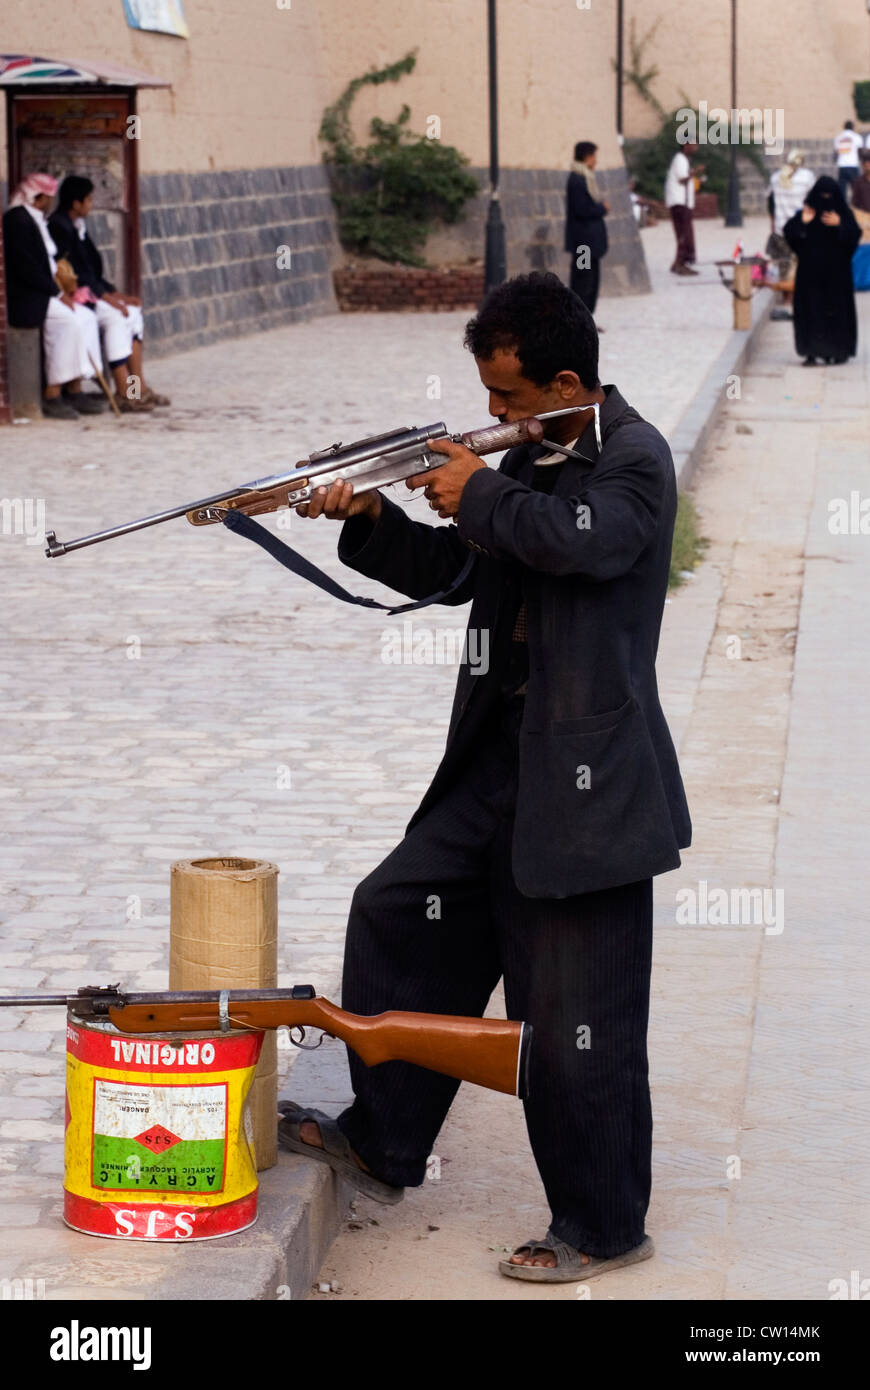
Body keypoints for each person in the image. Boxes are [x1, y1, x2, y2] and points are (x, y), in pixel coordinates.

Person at [276, 271, 691, 1283]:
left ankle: (600, 1225)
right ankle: (386, 1140)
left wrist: (483, 489)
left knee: (575, 1023)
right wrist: (367, 518)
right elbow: (459, 569)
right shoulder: (535, 460)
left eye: (508, 399)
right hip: (495, 773)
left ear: (563, 379)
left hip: (588, 789)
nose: (494, 418)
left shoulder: (632, 458)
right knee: (395, 908)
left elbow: (585, 545)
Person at [48, 175, 168, 411]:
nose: (92, 204)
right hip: (78, 297)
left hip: (94, 292)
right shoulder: (59, 227)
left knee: (132, 314)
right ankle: (125, 393)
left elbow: (92, 271)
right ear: (76, 203)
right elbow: (74, 274)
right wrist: (108, 299)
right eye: (89, 199)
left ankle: (138, 388)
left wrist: (117, 295)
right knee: (116, 318)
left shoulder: (78, 227)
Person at [2, 172, 104, 420]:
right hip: (30, 296)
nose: (51, 201)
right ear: (39, 197)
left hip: (47, 291)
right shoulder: (18, 220)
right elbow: (27, 267)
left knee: (85, 317)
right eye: (48, 197)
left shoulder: (36, 219)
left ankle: (75, 387)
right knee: (68, 321)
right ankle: (52, 392)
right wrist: (57, 293)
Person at [783, 176, 860, 365]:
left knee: (837, 312)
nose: (826, 199)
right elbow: (790, 234)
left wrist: (840, 224)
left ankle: (838, 352)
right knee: (811, 312)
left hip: (837, 275)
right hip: (810, 275)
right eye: (822, 195)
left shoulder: (843, 214)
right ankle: (811, 352)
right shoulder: (807, 212)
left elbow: (855, 235)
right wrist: (803, 222)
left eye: (830, 195)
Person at [766, 150, 815, 317]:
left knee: (784, 265)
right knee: (797, 265)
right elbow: (813, 201)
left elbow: (770, 203)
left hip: (781, 228)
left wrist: (772, 224)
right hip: (800, 229)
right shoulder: (807, 177)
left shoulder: (775, 178)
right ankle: (794, 300)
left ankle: (787, 298)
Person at [564, 141, 608, 320]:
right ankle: (579, 320)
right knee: (583, 281)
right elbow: (581, 210)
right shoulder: (577, 180)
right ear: (588, 157)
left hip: (591, 243)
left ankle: (587, 319)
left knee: (592, 281)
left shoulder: (585, 178)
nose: (596, 161)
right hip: (583, 243)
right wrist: (602, 208)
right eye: (595, 156)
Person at [665, 141, 703, 275]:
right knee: (683, 234)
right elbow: (682, 179)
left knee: (685, 234)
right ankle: (680, 264)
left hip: (684, 203)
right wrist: (695, 172)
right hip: (679, 202)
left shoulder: (684, 160)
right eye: (694, 144)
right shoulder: (679, 160)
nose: (696, 147)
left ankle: (679, 263)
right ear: (686, 145)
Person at [833, 120, 863, 201]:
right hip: (853, 165)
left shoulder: (838, 137)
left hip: (842, 166)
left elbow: (836, 152)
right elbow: (860, 151)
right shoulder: (857, 137)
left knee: (842, 190)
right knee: (856, 189)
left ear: (844, 127)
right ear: (853, 127)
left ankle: (842, 207)